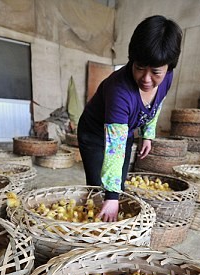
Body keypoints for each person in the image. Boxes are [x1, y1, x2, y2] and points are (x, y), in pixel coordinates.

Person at [77, 15, 183, 222]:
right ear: (131, 60)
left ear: (169, 67)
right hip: (94, 133)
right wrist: (111, 197)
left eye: (156, 72)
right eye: (139, 67)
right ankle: (89, 228)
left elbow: (157, 104)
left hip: (125, 131)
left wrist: (148, 135)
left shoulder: (167, 78)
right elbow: (114, 147)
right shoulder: (119, 91)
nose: (146, 78)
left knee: (120, 181)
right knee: (98, 186)